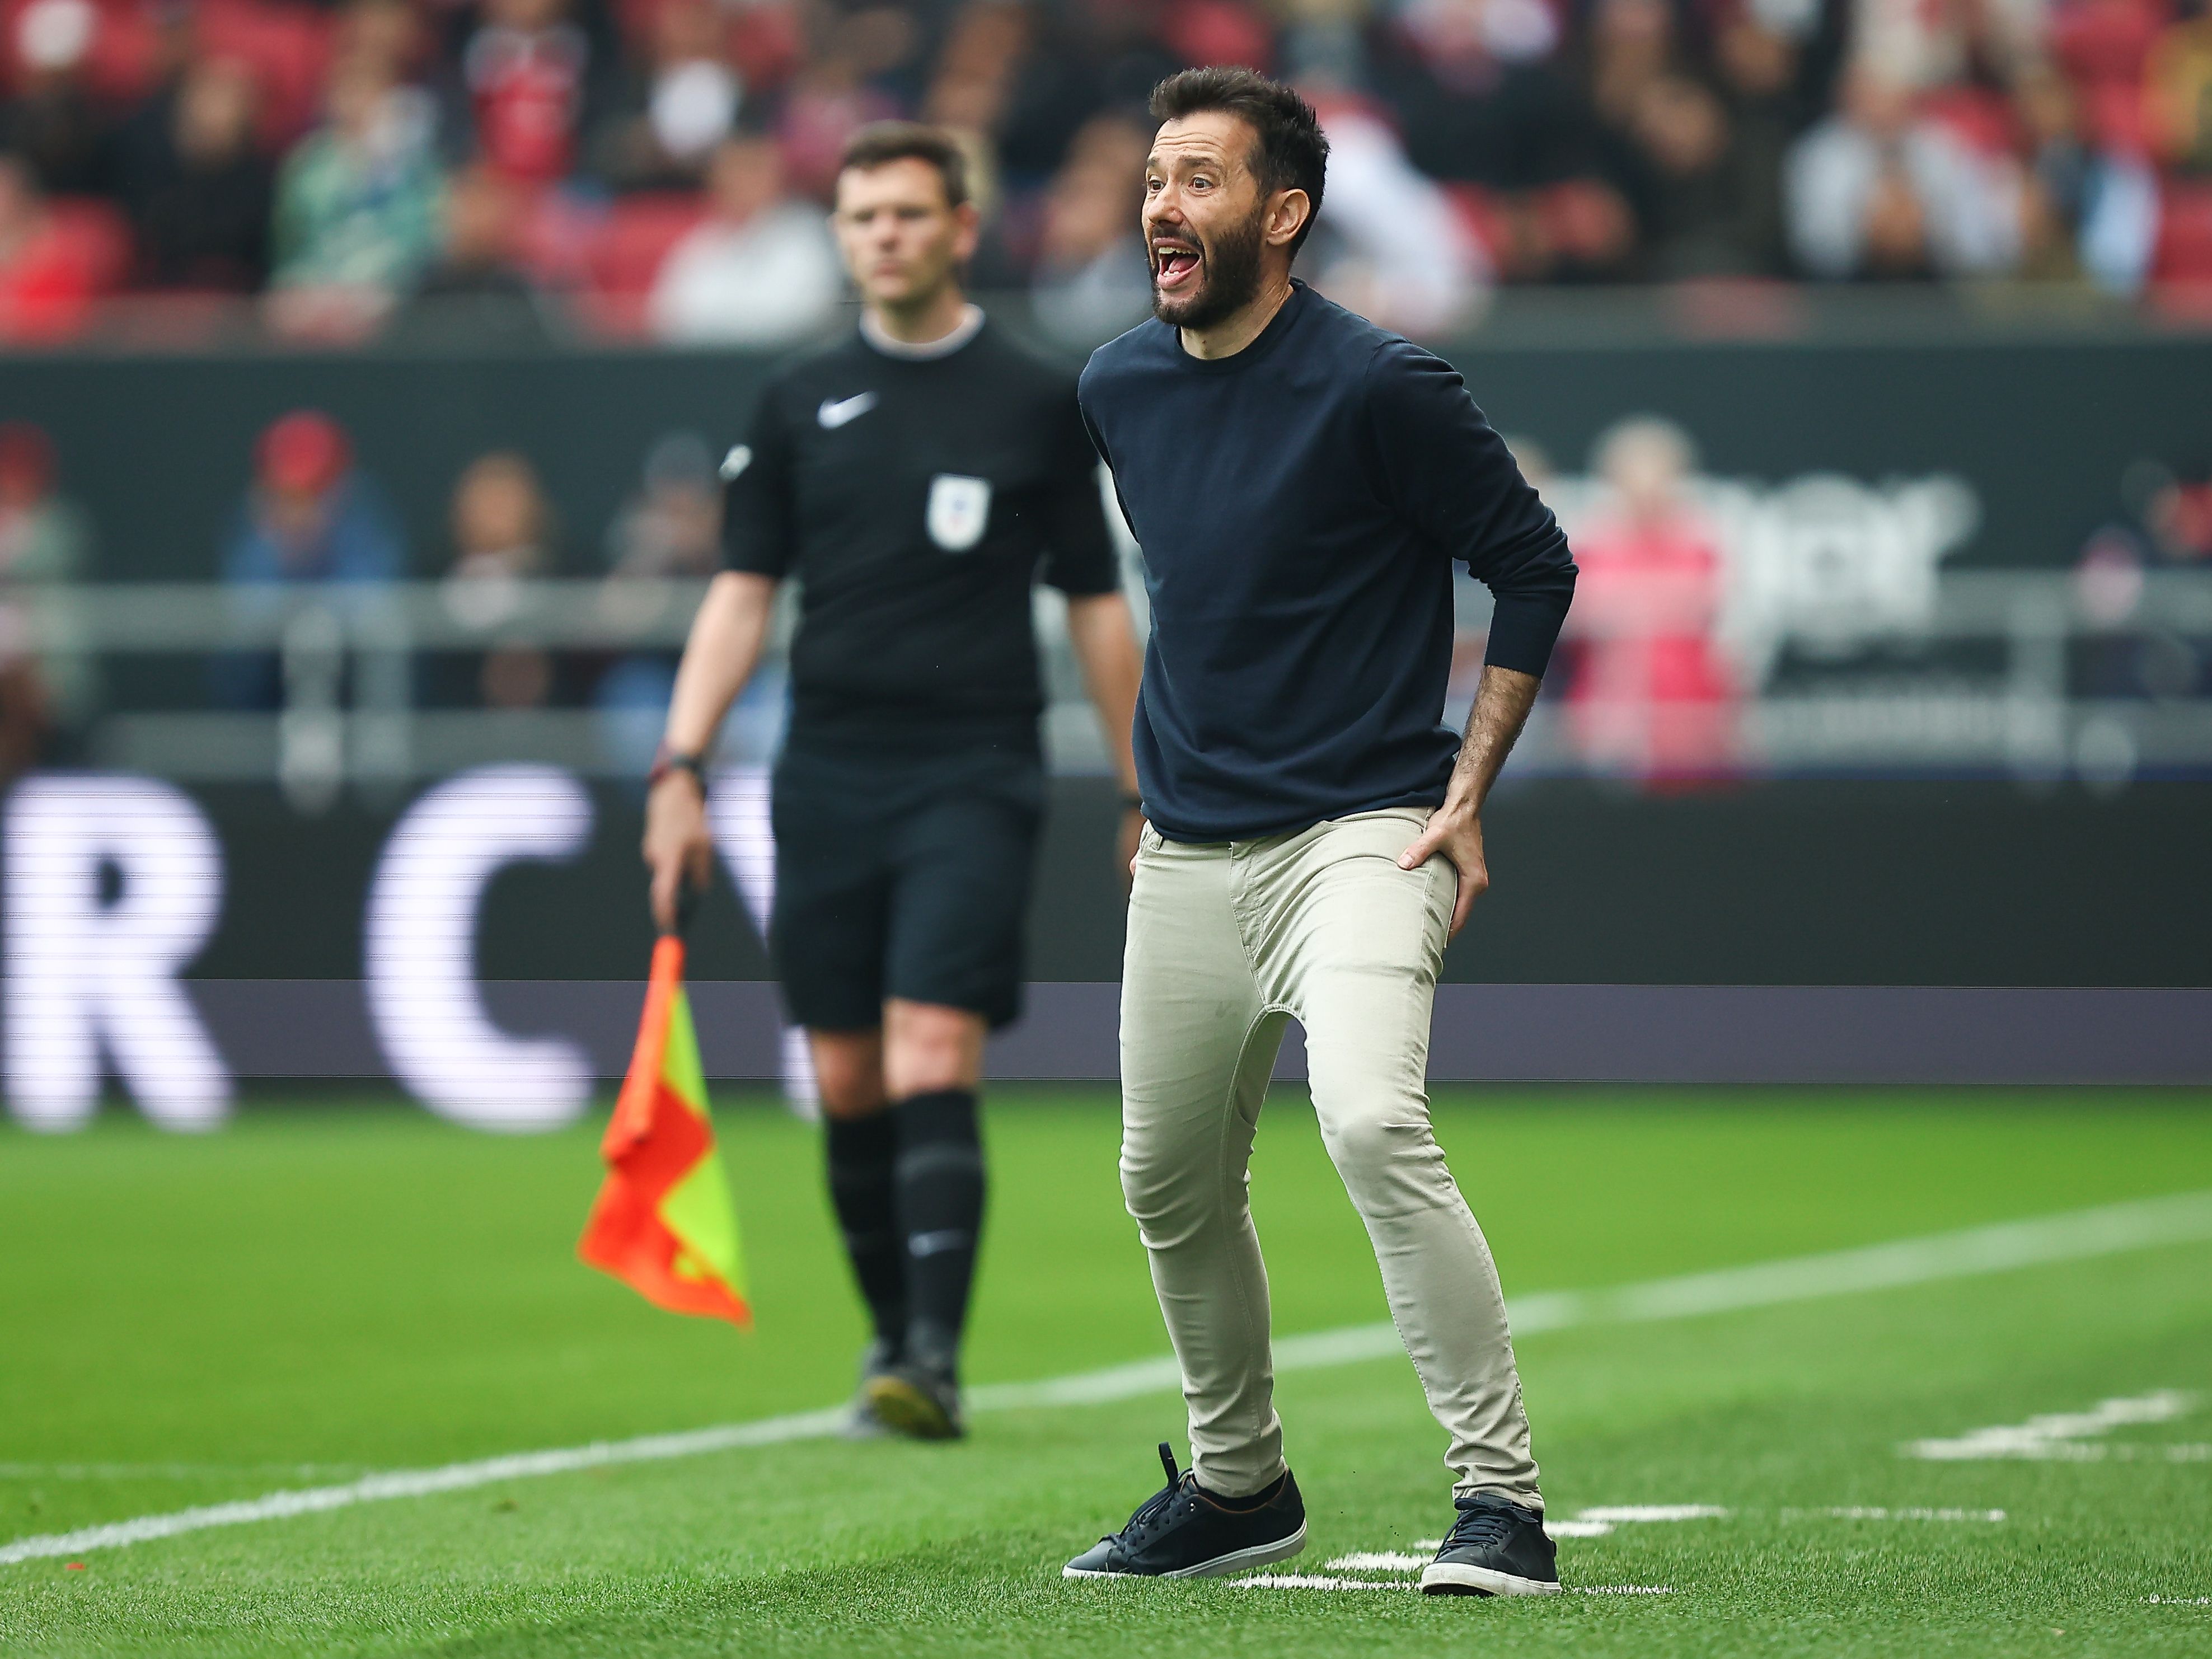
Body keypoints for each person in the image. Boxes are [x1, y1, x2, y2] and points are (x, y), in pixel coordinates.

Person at [1066, 68, 1577, 1595]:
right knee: (1162, 1180)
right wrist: (1142, 800)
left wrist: (1468, 786)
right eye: (1156, 176)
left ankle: (1503, 1503)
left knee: (1368, 1116)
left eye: (1201, 180)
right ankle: (1238, 1486)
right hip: (1190, 851)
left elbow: (1535, 566)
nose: (1164, 204)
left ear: (1284, 216)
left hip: (1368, 830)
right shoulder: (1116, 386)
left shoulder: (1381, 384)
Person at [641, 121, 1145, 1440]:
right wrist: (680, 764)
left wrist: (1144, 788)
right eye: (863, 217)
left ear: (962, 227)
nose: (886, 236)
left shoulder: (1038, 399)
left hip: (973, 769)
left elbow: (1097, 605)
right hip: (824, 772)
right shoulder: (797, 397)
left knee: (932, 1042)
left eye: (911, 214)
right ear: (841, 235)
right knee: (849, 1073)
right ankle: (889, 1334)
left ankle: (933, 1349)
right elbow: (741, 596)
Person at [646, 134, 843, 346]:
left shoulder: (806, 237)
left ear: (777, 179)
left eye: (752, 171)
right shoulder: (700, 243)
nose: (740, 183)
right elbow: (667, 317)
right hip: (703, 369)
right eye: (731, 173)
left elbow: (800, 316)